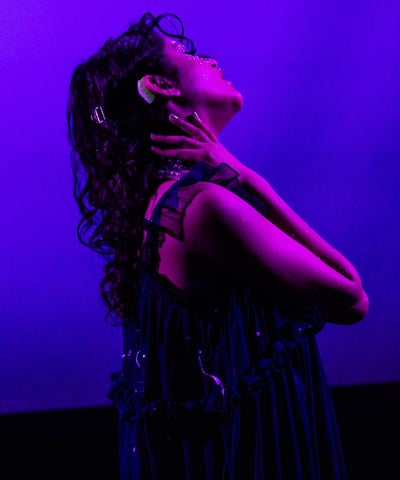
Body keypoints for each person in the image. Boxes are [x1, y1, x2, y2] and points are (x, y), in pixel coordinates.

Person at [67, 12, 368, 480]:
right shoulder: (202, 207)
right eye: (185, 53)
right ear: (159, 85)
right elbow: (352, 297)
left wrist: (238, 176)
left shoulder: (171, 204)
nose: (207, 58)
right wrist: (250, 180)